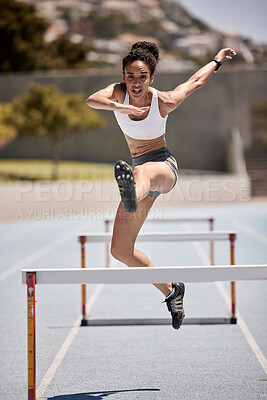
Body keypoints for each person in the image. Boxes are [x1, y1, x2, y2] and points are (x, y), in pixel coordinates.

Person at [86, 41, 236, 330]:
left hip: (163, 167)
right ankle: (171, 291)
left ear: (151, 78)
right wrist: (120, 106)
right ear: (123, 76)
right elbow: (92, 100)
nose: (135, 83)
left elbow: (195, 81)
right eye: (130, 76)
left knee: (141, 172)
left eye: (142, 76)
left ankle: (131, 193)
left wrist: (217, 59)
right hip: (139, 174)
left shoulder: (163, 100)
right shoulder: (117, 93)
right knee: (120, 251)